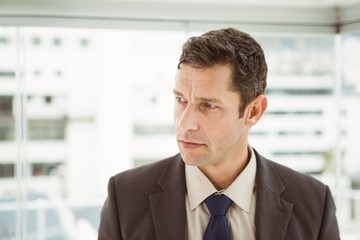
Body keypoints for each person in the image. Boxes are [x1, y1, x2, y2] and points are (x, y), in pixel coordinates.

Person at [98, 28, 340, 240]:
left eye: (208, 105)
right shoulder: (126, 197)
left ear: (253, 111)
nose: (185, 123)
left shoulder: (314, 203)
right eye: (181, 100)